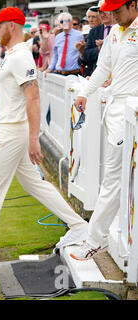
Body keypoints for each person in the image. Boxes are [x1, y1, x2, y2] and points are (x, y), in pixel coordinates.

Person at [0, 7, 88, 273]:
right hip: (12, 129)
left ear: (11, 25)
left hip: (12, 132)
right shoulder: (14, 55)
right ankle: (79, 226)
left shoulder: (19, 57)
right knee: (35, 185)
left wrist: (33, 139)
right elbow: (10, 98)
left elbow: (33, 98)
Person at [71, 0, 138, 261]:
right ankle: (98, 239)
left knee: (113, 179)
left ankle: (95, 240)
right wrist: (86, 92)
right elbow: (103, 68)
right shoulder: (117, 32)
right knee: (114, 178)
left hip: (130, 112)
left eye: (118, 10)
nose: (113, 15)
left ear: (133, 4)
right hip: (116, 111)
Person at [80, 0, 115, 77]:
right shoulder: (94, 31)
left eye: (106, 11)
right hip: (98, 75)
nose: (103, 14)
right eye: (100, 12)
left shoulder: (120, 28)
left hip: (116, 74)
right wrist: (99, 49)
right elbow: (86, 55)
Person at [45, 12, 84, 76]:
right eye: (62, 21)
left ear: (71, 22)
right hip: (59, 73)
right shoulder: (58, 37)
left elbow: (82, 53)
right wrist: (50, 68)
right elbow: (56, 56)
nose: (64, 23)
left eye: (67, 21)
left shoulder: (79, 35)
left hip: (74, 73)